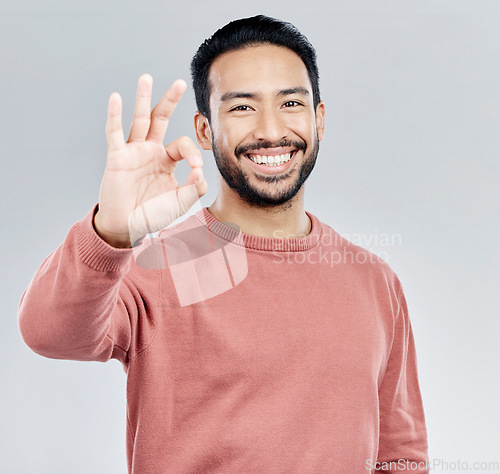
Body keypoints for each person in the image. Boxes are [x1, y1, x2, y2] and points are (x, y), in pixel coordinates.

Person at [18, 15, 429, 473]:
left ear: (319, 119)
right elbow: (48, 334)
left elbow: (401, 455)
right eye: (241, 108)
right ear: (204, 130)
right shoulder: (164, 262)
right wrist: (111, 233)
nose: (271, 131)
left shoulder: (373, 279)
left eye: (291, 102)